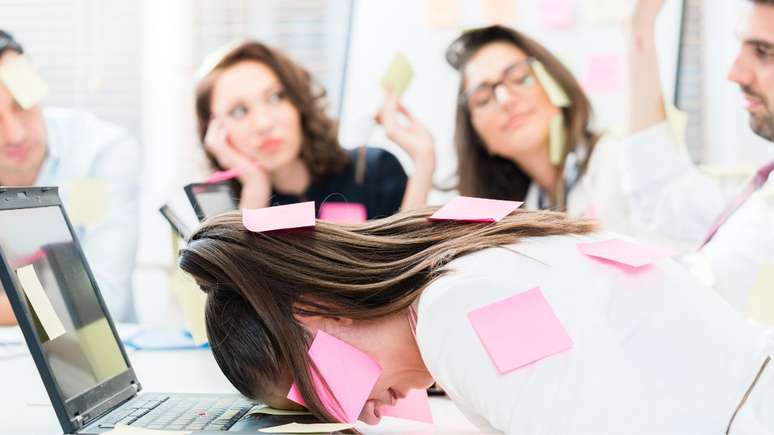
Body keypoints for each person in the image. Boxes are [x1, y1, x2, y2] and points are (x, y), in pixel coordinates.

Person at [179, 207, 773, 433]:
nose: (363, 415)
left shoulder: (460, 311)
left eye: (326, 393)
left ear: (314, 312)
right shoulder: (461, 261)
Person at [624, 0, 774, 311]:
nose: (735, 74)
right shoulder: (764, 190)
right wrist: (639, 28)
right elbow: (664, 198)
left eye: (764, 52)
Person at [194, 41, 435, 219]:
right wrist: (255, 191)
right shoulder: (221, 209)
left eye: (276, 97)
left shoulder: (374, 171)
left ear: (298, 101)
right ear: (214, 131)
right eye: (239, 111)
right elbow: (236, 275)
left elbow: (409, 261)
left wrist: (424, 161)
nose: (264, 124)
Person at [0, 30, 140, 323]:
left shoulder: (95, 153)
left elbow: (100, 302)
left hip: (93, 348)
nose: (15, 135)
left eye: (21, 106)